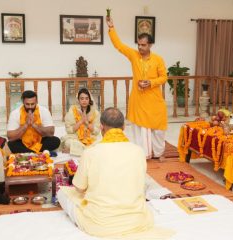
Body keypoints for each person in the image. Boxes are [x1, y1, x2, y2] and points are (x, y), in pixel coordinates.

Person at [57, 107, 173, 239]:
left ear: (101, 127)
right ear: (123, 127)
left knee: (63, 193)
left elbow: (79, 188)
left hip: (100, 224)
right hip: (136, 221)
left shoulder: (90, 152)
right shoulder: (138, 151)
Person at [106, 16, 168, 159]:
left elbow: (164, 77)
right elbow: (119, 45)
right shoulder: (134, 56)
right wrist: (111, 28)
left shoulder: (158, 59)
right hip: (139, 99)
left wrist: (151, 83)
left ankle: (158, 153)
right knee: (140, 128)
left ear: (150, 45)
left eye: (143, 45)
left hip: (154, 99)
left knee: (158, 129)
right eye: (139, 44)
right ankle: (143, 153)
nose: (140, 47)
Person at [60, 88, 100, 156]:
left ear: (89, 100)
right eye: (82, 98)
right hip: (76, 137)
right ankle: (88, 151)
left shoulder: (95, 113)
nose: (84, 101)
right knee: (68, 142)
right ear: (78, 100)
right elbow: (69, 130)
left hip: (91, 137)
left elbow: (96, 131)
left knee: (99, 142)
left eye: (86, 98)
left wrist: (86, 123)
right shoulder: (72, 111)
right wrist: (81, 121)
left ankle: (74, 151)